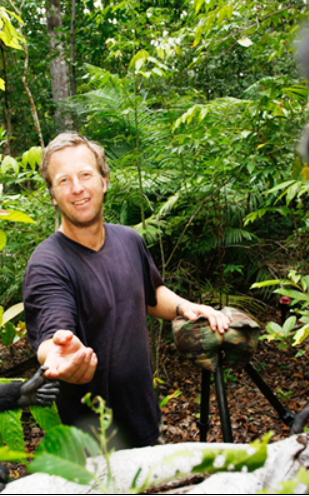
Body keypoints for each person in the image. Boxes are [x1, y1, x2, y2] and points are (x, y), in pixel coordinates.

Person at [23, 132, 231, 447]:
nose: (77, 188)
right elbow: (53, 333)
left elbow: (150, 293)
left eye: (85, 175)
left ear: (104, 181)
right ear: (52, 194)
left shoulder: (128, 239)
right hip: (92, 441)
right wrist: (59, 355)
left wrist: (185, 307)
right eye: (63, 181)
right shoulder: (47, 264)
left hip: (143, 418)